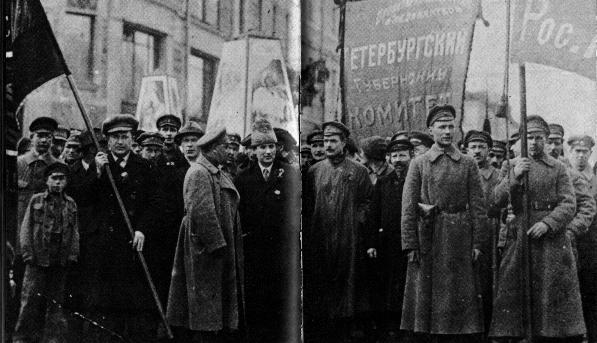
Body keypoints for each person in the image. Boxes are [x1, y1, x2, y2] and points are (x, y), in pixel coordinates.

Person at [490, 115, 585, 342]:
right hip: (520, 235)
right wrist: (514, 177)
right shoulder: (511, 165)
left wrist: (548, 223)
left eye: (539, 138)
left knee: (550, 291)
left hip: (550, 240)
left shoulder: (558, 168)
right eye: (529, 138)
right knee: (516, 289)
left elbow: (569, 203)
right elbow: (495, 202)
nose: (534, 143)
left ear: (546, 139)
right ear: (522, 139)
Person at [401, 105, 486, 341]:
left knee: (458, 300)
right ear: (431, 130)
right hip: (429, 236)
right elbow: (408, 207)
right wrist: (410, 244)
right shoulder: (419, 163)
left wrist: (478, 243)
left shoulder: (468, 163)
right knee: (429, 302)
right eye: (442, 127)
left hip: (460, 237)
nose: (447, 131)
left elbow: (479, 207)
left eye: (451, 126)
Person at [167, 127, 244, 343]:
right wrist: (218, 246)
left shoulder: (214, 171)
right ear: (211, 149)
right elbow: (202, 213)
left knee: (211, 310)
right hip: (206, 252)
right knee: (204, 313)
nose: (229, 151)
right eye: (224, 147)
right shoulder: (199, 173)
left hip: (214, 252)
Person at [304, 121, 373, 343]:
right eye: (326, 141)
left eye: (334, 141)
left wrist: (356, 222)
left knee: (347, 283)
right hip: (321, 236)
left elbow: (368, 203)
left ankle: (346, 329)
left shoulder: (359, 171)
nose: (329, 145)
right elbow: (308, 205)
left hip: (349, 238)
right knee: (323, 283)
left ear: (344, 143)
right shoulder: (315, 171)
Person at [91, 114, 158, 342]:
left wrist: (142, 229)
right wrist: (98, 173)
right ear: (108, 141)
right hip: (108, 244)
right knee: (108, 304)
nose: (120, 141)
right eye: (115, 137)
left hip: (134, 242)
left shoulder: (145, 167)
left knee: (135, 302)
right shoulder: (99, 165)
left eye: (124, 136)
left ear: (132, 139)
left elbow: (153, 204)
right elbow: (86, 200)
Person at [235, 119, 300, 342]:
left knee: (279, 302)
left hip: (281, 251)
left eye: (271, 146)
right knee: (256, 302)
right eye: (262, 147)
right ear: (254, 150)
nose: (267, 152)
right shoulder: (243, 178)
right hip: (254, 251)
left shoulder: (289, 174)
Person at [13, 162, 79, 343]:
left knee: (55, 304)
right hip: (37, 259)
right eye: (54, 178)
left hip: (60, 260)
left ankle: (52, 339)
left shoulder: (71, 204)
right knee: (29, 302)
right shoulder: (36, 200)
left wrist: (72, 255)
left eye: (62, 179)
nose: (58, 183)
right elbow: (26, 228)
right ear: (47, 181)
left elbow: (75, 233)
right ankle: (22, 338)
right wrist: (27, 254)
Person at [145, 118, 191, 341]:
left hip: (176, 230)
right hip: (155, 231)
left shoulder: (184, 162)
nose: (169, 134)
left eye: (173, 130)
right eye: (165, 129)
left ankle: (172, 326)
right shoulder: (153, 160)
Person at [366, 138, 413, 342]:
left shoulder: (416, 180)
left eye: (403, 155)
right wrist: (371, 243)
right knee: (389, 288)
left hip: (410, 243)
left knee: (408, 286)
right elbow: (373, 215)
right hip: (388, 245)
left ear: (411, 156)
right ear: (389, 158)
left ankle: (409, 328)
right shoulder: (384, 183)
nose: (399, 160)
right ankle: (392, 328)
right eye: (395, 156)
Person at [63, 130, 103, 342]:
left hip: (96, 233)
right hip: (77, 233)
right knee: (74, 285)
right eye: (88, 149)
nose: (90, 153)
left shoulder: (104, 167)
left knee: (93, 286)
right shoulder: (70, 171)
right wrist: (95, 172)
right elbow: (79, 193)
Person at [464, 129, 501, 337]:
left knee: (487, 285)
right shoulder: (462, 171)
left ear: (488, 150)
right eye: (473, 147)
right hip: (464, 233)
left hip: (490, 235)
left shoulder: (496, 176)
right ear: (466, 150)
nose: (477, 152)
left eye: (481, 147)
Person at [567, 135, 597, 343]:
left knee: (590, 289)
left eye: (584, 152)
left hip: (592, 243)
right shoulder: (564, 174)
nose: (580, 155)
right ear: (570, 153)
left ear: (590, 154)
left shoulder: (594, 179)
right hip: (569, 238)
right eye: (576, 151)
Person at [17, 117, 61, 236]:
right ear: (31, 138)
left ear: (52, 140)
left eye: (48, 136)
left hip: (47, 228)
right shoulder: (18, 163)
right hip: (21, 226)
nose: (44, 140)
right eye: (40, 135)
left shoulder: (59, 166)